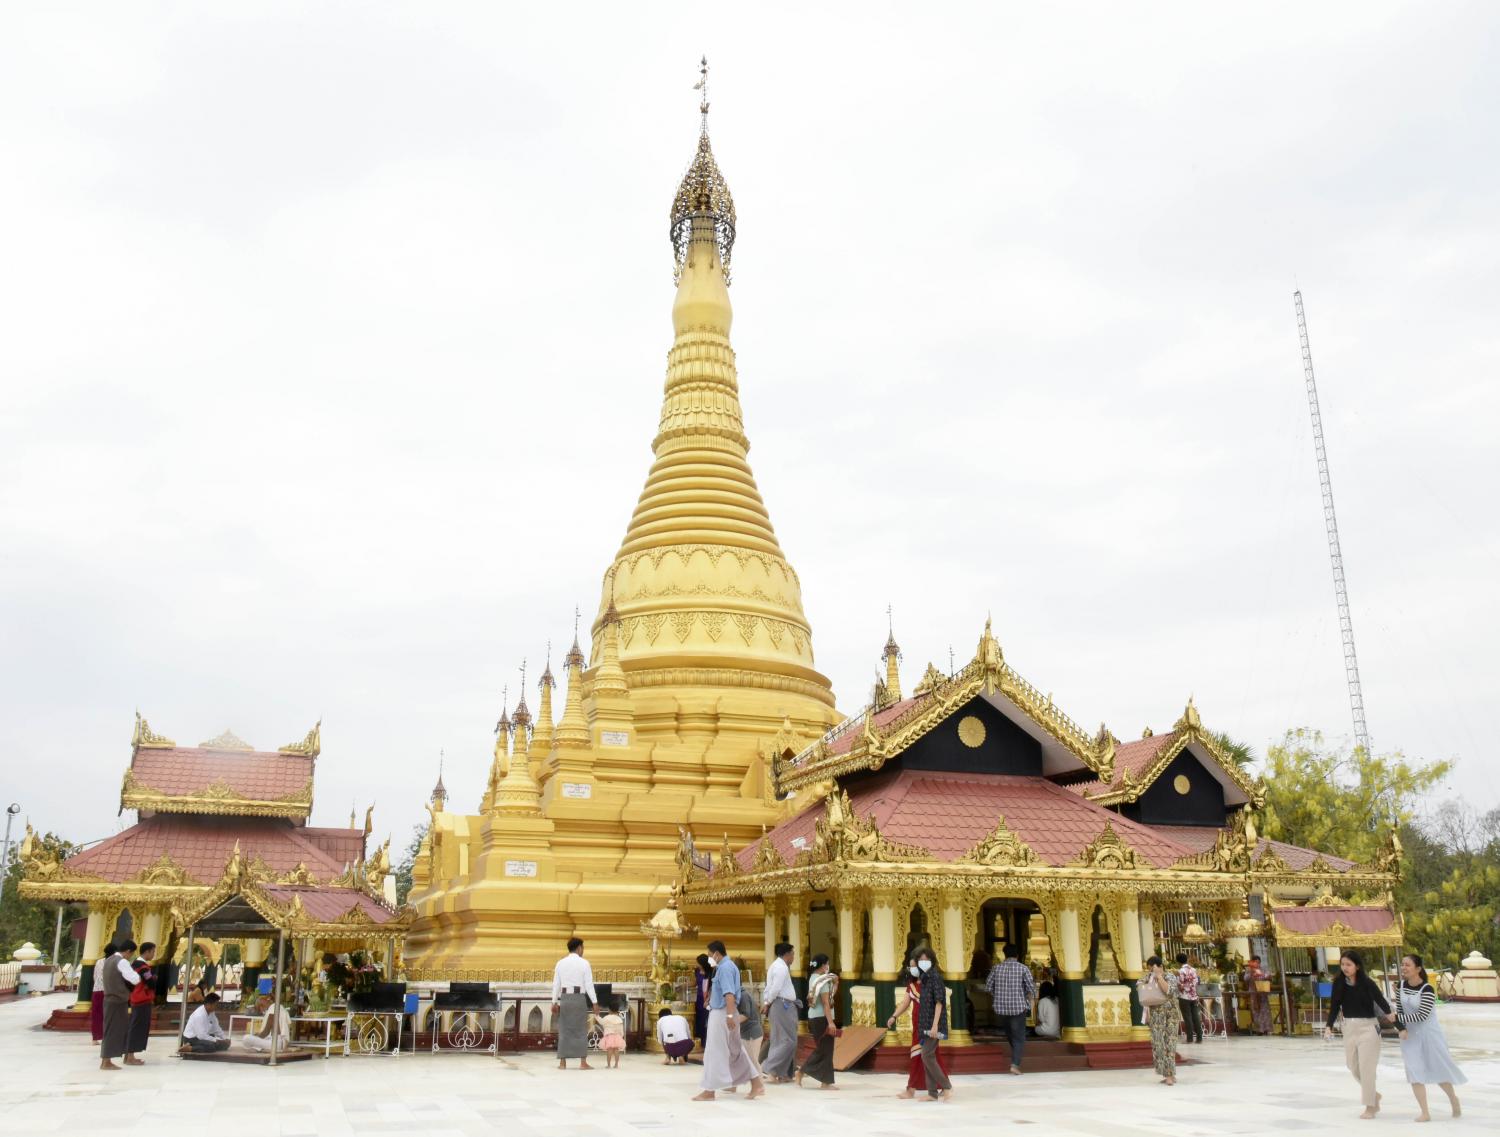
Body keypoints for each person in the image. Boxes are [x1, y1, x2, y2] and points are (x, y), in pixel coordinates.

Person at [1323, 948, 1394, 1119]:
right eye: (1342, 964)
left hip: (1369, 1028)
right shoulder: (1338, 983)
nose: (1345, 968)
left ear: (1357, 966)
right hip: (1349, 1028)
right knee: (1353, 1066)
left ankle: (1370, 1106)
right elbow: (1334, 1006)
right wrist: (1328, 1026)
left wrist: (1398, 1024)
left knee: (1366, 1068)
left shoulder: (1367, 983)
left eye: (1348, 964)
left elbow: (1382, 1002)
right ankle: (1373, 1095)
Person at [692, 940, 765, 1102]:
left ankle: (709, 1091)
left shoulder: (725, 968)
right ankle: (756, 1083)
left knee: (713, 1052)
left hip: (722, 1013)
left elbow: (729, 994)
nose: (709, 958)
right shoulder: (729, 966)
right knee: (736, 1051)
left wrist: (730, 1016)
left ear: (716, 954)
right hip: (726, 1012)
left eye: (710, 955)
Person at [1394, 953, 1464, 1122]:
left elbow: (1422, 1015)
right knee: (1414, 1072)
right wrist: (1401, 1028)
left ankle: (1453, 1098)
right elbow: (1400, 1009)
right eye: (1402, 964)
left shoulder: (1427, 989)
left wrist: (1396, 1018)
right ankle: (1425, 1112)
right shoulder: (1400, 986)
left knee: (1438, 1069)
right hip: (1410, 1037)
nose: (1403, 968)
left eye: (1407, 965)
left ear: (1418, 968)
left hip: (1429, 1034)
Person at [887, 954, 946, 1098]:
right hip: (917, 1026)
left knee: (930, 1055)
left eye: (914, 966)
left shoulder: (931, 983)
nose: (912, 968)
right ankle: (927, 1089)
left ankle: (917, 1089)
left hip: (930, 1024)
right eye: (910, 966)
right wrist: (894, 1016)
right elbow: (905, 1004)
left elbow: (939, 1004)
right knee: (920, 1055)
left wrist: (935, 1025)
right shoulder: (912, 985)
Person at [550, 937, 601, 1070]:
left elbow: (556, 984)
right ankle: (583, 1062)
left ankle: (562, 1063)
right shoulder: (584, 963)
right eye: (582, 948)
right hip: (579, 999)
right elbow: (589, 985)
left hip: (565, 999)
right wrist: (595, 1002)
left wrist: (554, 1002)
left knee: (564, 1030)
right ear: (579, 948)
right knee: (581, 1030)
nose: (583, 950)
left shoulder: (560, 963)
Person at [985, 943, 1036, 1074]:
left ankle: (1016, 1057)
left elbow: (988, 987)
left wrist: (998, 996)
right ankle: (1015, 1064)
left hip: (1002, 1009)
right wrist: (1029, 1001)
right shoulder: (1023, 968)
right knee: (1019, 1037)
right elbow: (1031, 989)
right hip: (1018, 1007)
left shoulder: (996, 968)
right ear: (1017, 955)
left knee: (1010, 1035)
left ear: (1004, 954)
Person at [914, 947, 953, 1102]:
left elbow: (939, 1002)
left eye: (926, 960)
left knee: (926, 1055)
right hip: (925, 1022)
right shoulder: (925, 977)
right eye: (920, 960)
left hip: (933, 1023)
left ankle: (946, 1086)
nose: (923, 962)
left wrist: (935, 1025)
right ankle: (932, 1093)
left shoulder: (935, 977)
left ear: (932, 961)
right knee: (927, 1056)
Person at [796, 953, 840, 1090]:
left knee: (825, 1049)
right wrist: (831, 1022)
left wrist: (836, 983)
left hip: (815, 1017)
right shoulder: (822, 980)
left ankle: (825, 1081)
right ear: (823, 965)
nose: (828, 966)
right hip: (822, 1018)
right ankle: (802, 1071)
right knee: (824, 1049)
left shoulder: (814, 978)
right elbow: (826, 1003)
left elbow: (829, 997)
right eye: (827, 964)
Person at [99, 939, 141, 1070]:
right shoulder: (122, 962)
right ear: (128, 951)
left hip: (109, 998)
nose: (130, 956)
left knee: (110, 1029)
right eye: (131, 954)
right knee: (114, 1030)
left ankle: (107, 1059)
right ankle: (106, 1061)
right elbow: (135, 979)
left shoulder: (108, 960)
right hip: (118, 1000)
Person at [760, 941, 799, 1083]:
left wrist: (767, 1002)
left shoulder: (776, 966)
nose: (794, 957)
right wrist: (767, 1002)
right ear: (787, 954)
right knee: (788, 1040)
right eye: (793, 954)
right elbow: (775, 988)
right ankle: (770, 1069)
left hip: (781, 1004)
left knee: (779, 1040)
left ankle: (783, 1073)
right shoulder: (781, 968)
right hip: (782, 1005)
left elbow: (769, 987)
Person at [1143, 955, 1179, 1085]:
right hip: (1156, 1016)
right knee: (1158, 1044)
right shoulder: (1148, 978)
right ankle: (1167, 1073)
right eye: (1149, 969)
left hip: (1171, 1014)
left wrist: (1159, 977)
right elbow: (1142, 990)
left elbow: (1169, 991)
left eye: (1153, 968)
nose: (1151, 971)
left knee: (1170, 1043)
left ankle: (1169, 1075)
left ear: (1160, 966)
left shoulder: (1170, 977)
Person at [124, 943, 157, 1064]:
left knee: (134, 1026)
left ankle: (128, 1055)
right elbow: (150, 983)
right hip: (141, 1000)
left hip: (135, 998)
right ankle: (130, 1057)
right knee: (137, 1028)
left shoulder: (134, 965)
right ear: (147, 952)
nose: (153, 954)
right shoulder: (143, 967)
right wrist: (154, 978)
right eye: (153, 952)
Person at [90, 942, 115, 1043]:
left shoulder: (99, 962)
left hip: (96, 990)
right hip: (108, 991)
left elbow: (95, 976)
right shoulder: (114, 962)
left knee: (96, 1015)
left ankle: (95, 1038)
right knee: (108, 1015)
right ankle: (107, 1036)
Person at [1175, 953, 1203, 1044]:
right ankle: (1199, 1038)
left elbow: (1180, 985)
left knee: (1187, 1017)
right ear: (1186, 960)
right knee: (1196, 1016)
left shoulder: (1180, 971)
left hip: (1184, 997)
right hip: (1194, 996)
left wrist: (1179, 987)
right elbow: (1197, 982)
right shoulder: (1193, 970)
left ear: (1178, 962)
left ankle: (1190, 1038)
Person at [1242, 955, 1273, 1035]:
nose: (1257, 964)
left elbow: (1268, 975)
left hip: (1262, 994)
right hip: (1254, 994)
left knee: (1265, 1011)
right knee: (1256, 1011)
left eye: (1258, 962)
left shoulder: (1263, 969)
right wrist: (1252, 973)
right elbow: (1245, 979)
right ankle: (1259, 1030)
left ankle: (1266, 1029)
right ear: (1252, 962)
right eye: (1255, 962)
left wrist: (1262, 975)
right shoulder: (1249, 970)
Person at [598, 1000, 627, 1068]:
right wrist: (621, 1036)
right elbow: (621, 1029)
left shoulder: (607, 1018)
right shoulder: (619, 1019)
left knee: (609, 1050)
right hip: (617, 1036)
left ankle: (608, 1065)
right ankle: (616, 1064)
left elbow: (601, 1022)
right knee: (616, 1050)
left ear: (609, 1010)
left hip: (609, 1036)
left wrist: (597, 1016)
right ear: (617, 1010)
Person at [693, 953, 712, 1048]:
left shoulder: (710, 972)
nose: (696, 964)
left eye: (698, 962)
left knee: (707, 1019)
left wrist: (708, 999)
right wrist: (684, 985)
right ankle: (699, 1040)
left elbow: (711, 987)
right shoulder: (697, 971)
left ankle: (706, 1041)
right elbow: (695, 982)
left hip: (707, 998)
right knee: (699, 1019)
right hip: (699, 998)